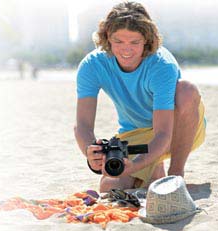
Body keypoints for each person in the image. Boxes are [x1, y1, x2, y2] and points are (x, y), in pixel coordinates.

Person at [74, 1, 206, 193]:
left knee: (186, 90)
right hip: (136, 134)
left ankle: (176, 175)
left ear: (146, 40)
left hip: (176, 129)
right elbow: (82, 125)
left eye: (134, 42)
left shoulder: (162, 65)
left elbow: (162, 134)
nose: (126, 50)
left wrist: (135, 166)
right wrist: (90, 152)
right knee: (109, 187)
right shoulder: (91, 65)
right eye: (118, 41)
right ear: (107, 38)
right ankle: (154, 170)